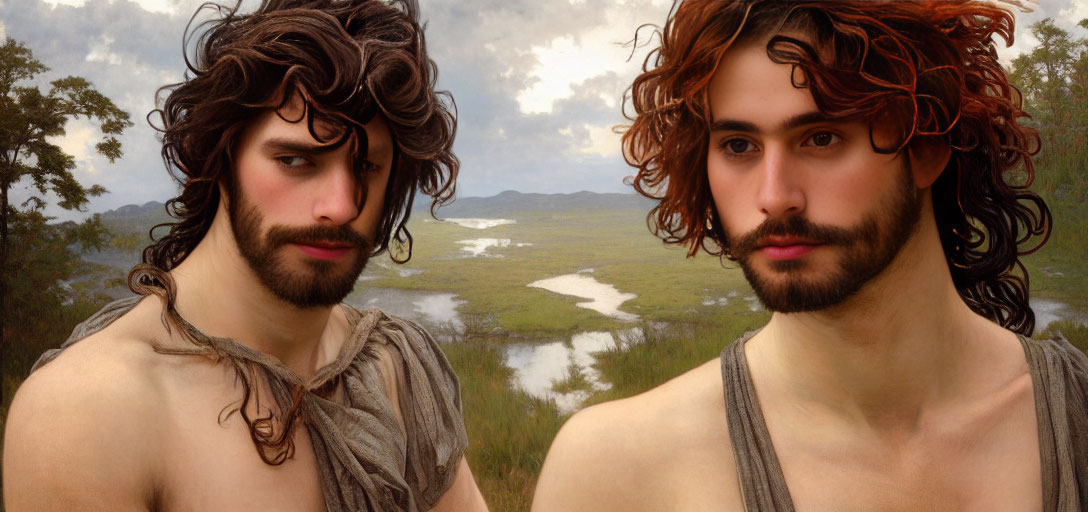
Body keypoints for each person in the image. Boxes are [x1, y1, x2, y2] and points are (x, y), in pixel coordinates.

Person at [533, 1, 1086, 510]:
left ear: (925, 148)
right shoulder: (612, 471)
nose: (774, 198)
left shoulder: (1076, 414)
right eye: (738, 146)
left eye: (821, 138)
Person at [3, 1, 488, 510]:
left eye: (366, 165)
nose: (341, 207)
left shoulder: (394, 366)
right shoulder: (88, 414)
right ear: (220, 157)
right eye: (296, 159)